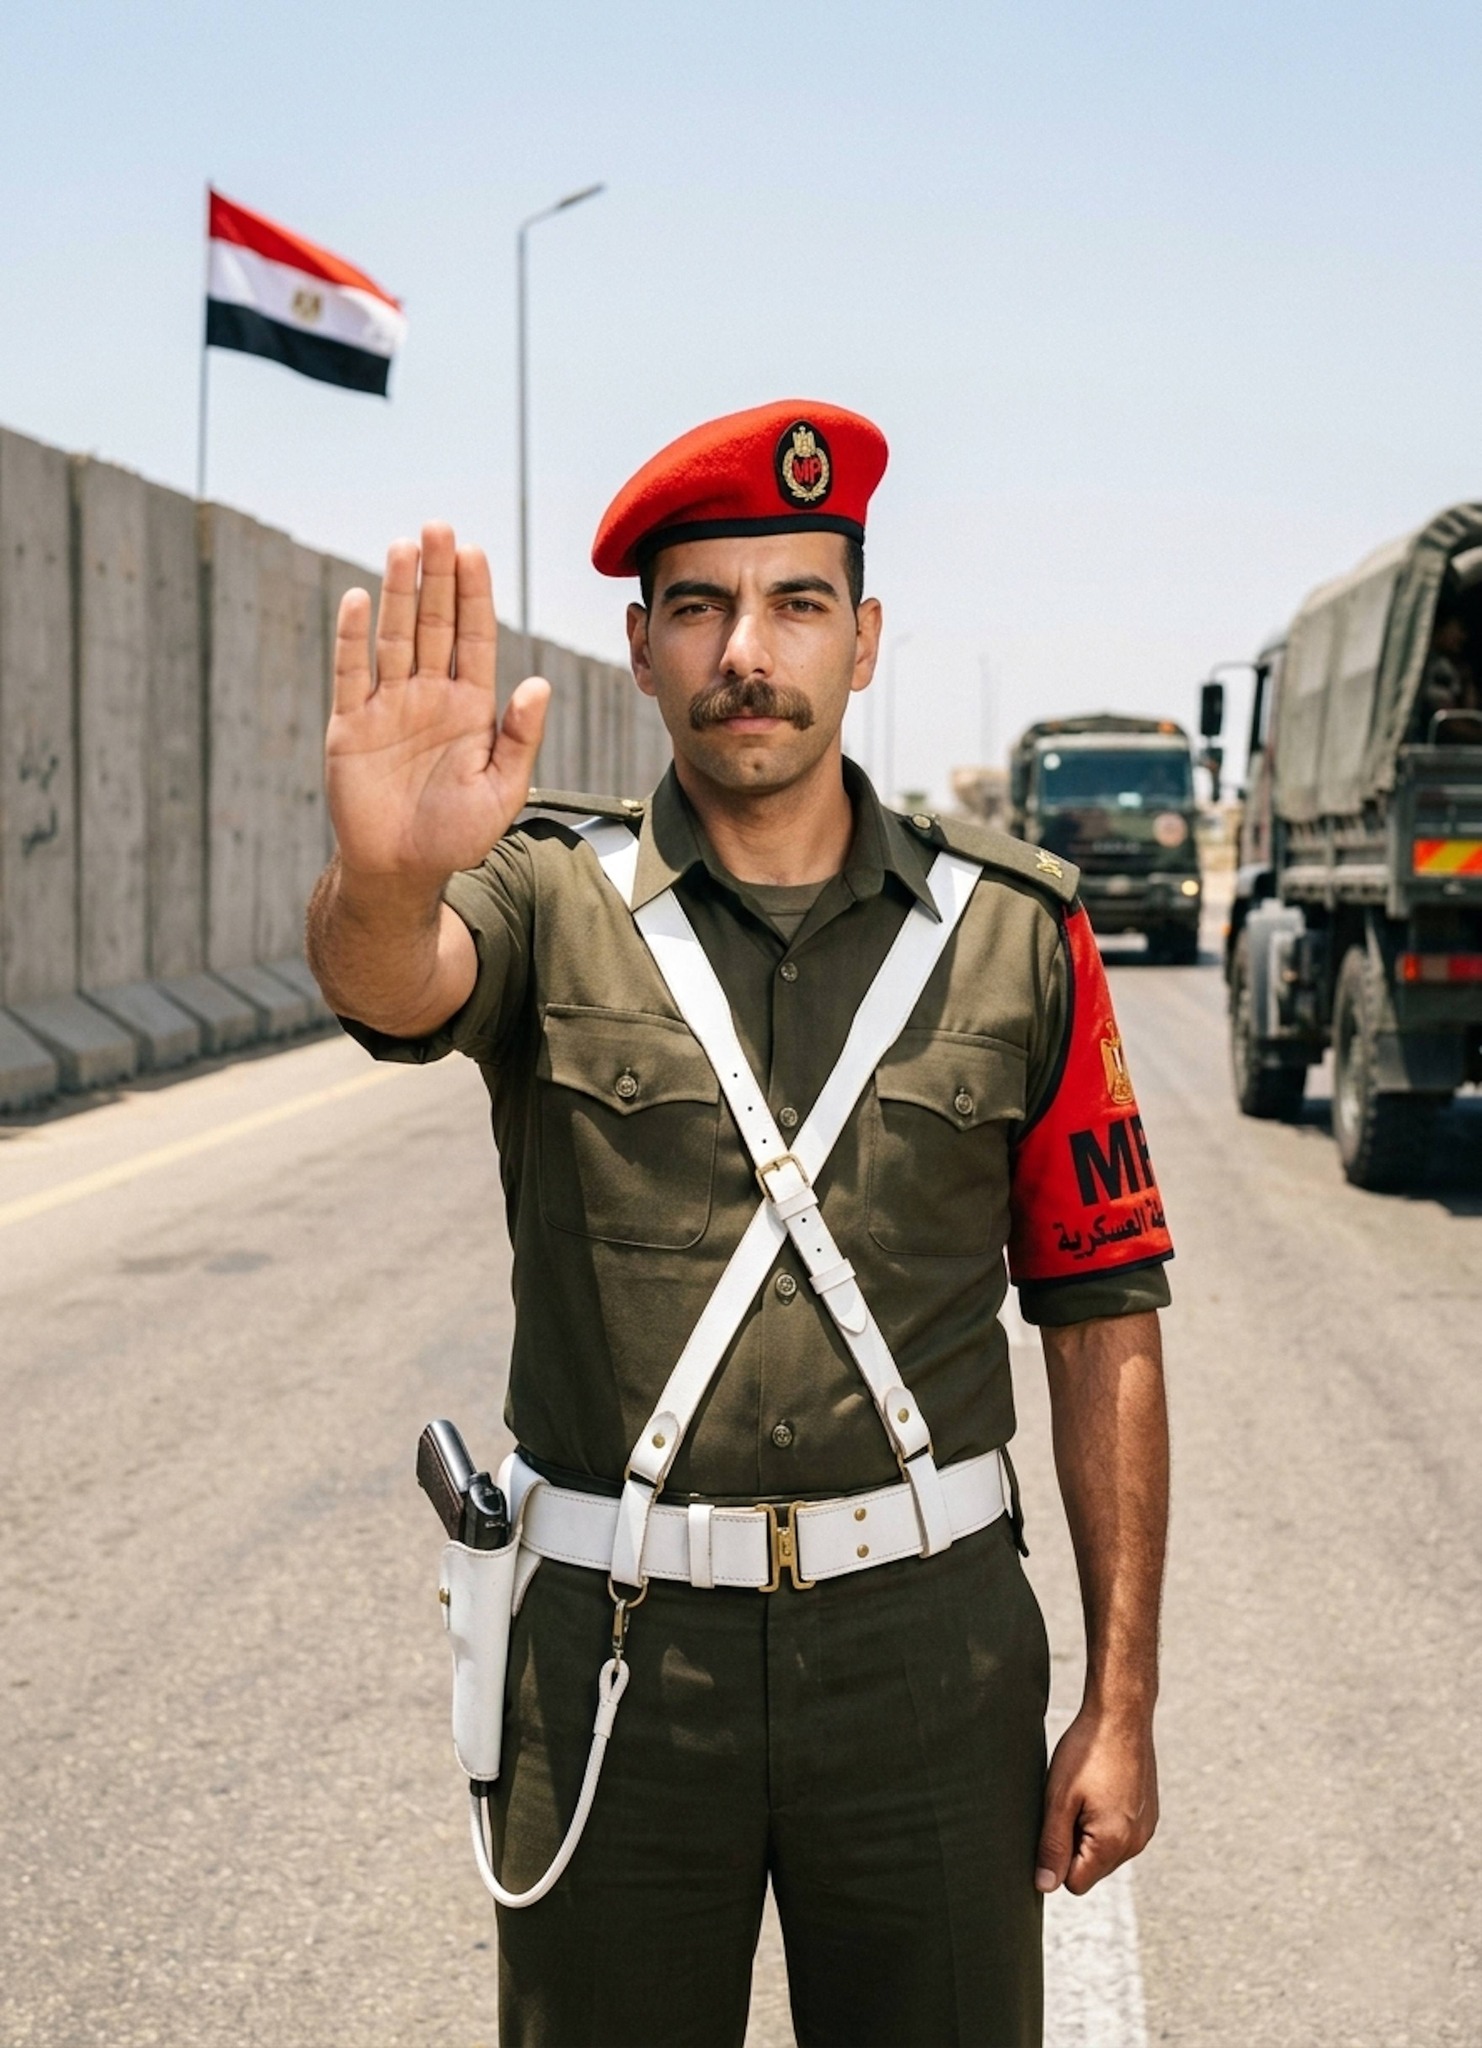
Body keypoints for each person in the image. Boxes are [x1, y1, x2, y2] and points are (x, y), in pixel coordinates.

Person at [307, 400, 1172, 2048]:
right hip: (615, 1658)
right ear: (641, 651)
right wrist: (387, 881)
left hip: (927, 1656)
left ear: (865, 638)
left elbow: (1103, 1321)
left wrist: (1120, 1700)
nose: (746, 652)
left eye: (796, 603)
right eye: (699, 607)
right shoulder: (546, 892)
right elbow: (395, 983)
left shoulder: (1016, 936)